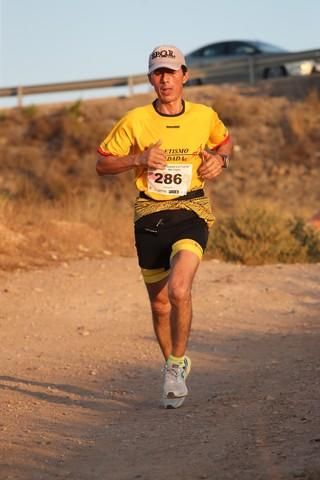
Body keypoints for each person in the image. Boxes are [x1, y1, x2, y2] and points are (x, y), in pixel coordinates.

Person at [96, 45, 232, 408]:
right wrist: (137, 158)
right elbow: (102, 163)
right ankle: (173, 361)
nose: (165, 79)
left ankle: (174, 367)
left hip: (191, 210)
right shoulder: (135, 121)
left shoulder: (204, 115)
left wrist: (221, 160)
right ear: (150, 79)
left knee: (179, 288)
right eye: (158, 73)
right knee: (159, 305)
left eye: (172, 72)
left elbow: (224, 143)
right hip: (150, 216)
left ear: (185, 75)